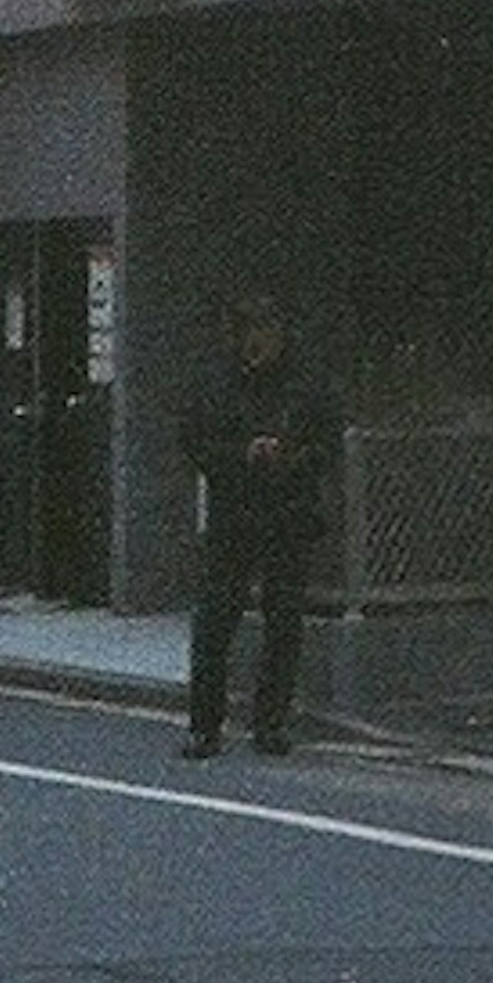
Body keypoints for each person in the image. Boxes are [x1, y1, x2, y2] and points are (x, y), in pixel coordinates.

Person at [180, 289, 332, 759]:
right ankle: (205, 725)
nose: (258, 342)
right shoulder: (217, 385)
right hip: (235, 513)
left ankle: (271, 723)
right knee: (214, 623)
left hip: (288, 512)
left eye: (267, 332)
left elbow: (329, 441)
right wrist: (242, 455)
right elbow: (195, 442)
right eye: (251, 332)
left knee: (283, 623)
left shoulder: (307, 384)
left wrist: (291, 457)